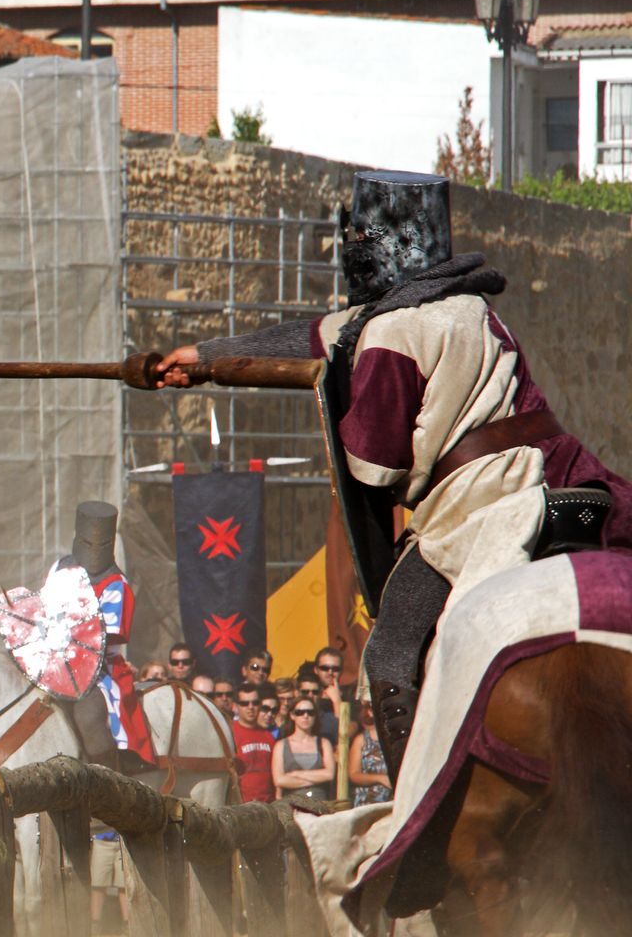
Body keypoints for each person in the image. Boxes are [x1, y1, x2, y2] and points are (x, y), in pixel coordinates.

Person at [158, 170, 632, 784]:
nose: (354, 247)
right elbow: (316, 338)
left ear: (389, 241)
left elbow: (374, 466)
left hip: (477, 505)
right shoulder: (470, 308)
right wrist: (204, 359)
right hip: (560, 474)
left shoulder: (390, 331)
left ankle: (416, 799)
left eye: (363, 235)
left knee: (389, 654)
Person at [50, 501, 153, 770]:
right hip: (51, 659)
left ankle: (107, 780)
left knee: (89, 718)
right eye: (88, 542)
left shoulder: (116, 583)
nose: (93, 549)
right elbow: (45, 606)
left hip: (97, 668)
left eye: (100, 543)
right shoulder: (60, 568)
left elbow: (104, 637)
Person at [271, 700, 335, 800]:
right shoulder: (281, 745)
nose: (305, 716)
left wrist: (296, 774)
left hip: (320, 803)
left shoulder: (324, 743)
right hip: (290, 804)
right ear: (292, 715)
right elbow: (279, 780)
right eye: (300, 712)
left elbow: (329, 774)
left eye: (310, 712)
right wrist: (317, 778)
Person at [231, 687, 277, 804]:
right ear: (235, 706)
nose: (250, 707)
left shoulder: (269, 736)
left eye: (255, 703)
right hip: (241, 805)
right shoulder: (230, 733)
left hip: (269, 804)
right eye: (244, 703)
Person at [348, 700, 394, 806]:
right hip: (369, 799)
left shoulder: (393, 737)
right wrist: (380, 779)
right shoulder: (361, 740)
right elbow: (354, 775)